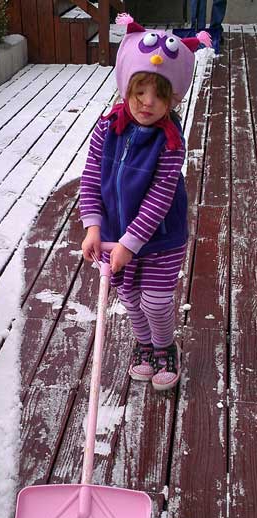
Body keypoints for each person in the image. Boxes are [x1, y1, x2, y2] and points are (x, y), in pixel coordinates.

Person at [80, 14, 211, 391]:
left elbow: (159, 197)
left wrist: (129, 244)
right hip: (113, 235)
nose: (148, 103)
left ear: (175, 98)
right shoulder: (107, 127)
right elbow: (91, 178)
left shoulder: (170, 142)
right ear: (126, 86)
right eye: (140, 92)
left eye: (160, 95)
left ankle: (165, 346)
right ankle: (144, 344)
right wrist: (94, 227)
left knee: (155, 300)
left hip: (160, 238)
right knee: (132, 300)